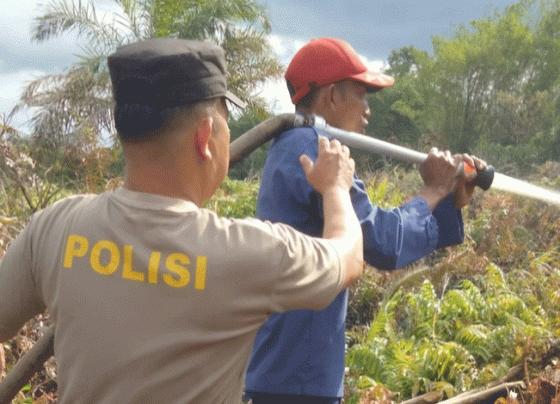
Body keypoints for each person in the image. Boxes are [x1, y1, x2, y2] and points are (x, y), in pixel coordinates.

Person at [0, 38, 365, 404]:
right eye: (226, 119)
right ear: (205, 137)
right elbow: (347, 258)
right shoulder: (252, 255)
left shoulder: (56, 227)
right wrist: (335, 189)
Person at [244, 37, 487, 404]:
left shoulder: (299, 143)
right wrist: (433, 190)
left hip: (290, 373)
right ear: (332, 97)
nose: (368, 110)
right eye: (362, 95)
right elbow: (383, 242)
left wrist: (447, 198)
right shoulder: (314, 147)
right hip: (297, 380)